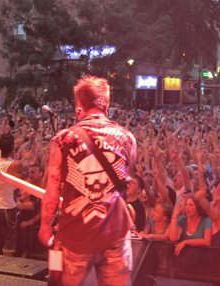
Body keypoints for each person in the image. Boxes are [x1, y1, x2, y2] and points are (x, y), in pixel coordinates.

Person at [38, 75, 137, 286]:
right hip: (116, 234)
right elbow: (123, 182)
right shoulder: (128, 138)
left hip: (75, 235)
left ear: (78, 105)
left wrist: (45, 224)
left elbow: (53, 186)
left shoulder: (64, 139)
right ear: (107, 105)